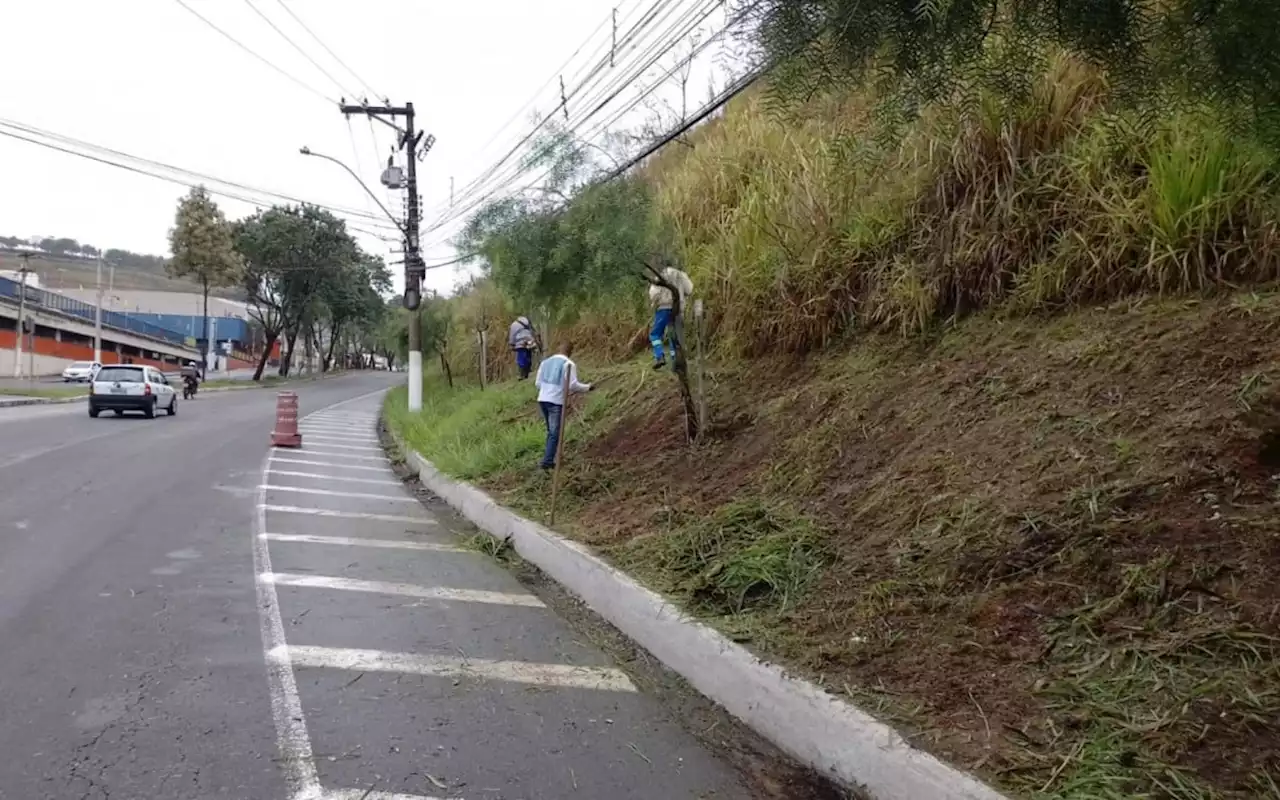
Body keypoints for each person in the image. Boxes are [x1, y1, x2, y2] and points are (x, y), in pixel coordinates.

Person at [534, 341, 592, 470]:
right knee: (555, 433)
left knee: (551, 432)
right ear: (570, 352)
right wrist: (588, 387)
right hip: (556, 401)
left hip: (542, 399)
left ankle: (552, 458)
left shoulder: (545, 362)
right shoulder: (568, 364)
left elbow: (538, 383)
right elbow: (572, 385)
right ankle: (548, 461)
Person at [647, 260, 694, 370]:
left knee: (655, 334)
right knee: (675, 336)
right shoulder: (681, 274)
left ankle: (660, 356)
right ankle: (675, 360)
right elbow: (690, 290)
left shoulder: (660, 275)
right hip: (678, 309)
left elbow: (653, 295)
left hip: (663, 309)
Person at [508, 315, 538, 380]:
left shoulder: (514, 324)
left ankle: (522, 374)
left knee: (521, 357)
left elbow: (512, 335)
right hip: (529, 341)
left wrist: (511, 344)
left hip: (520, 343)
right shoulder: (528, 322)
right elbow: (533, 332)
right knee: (528, 356)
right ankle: (527, 371)